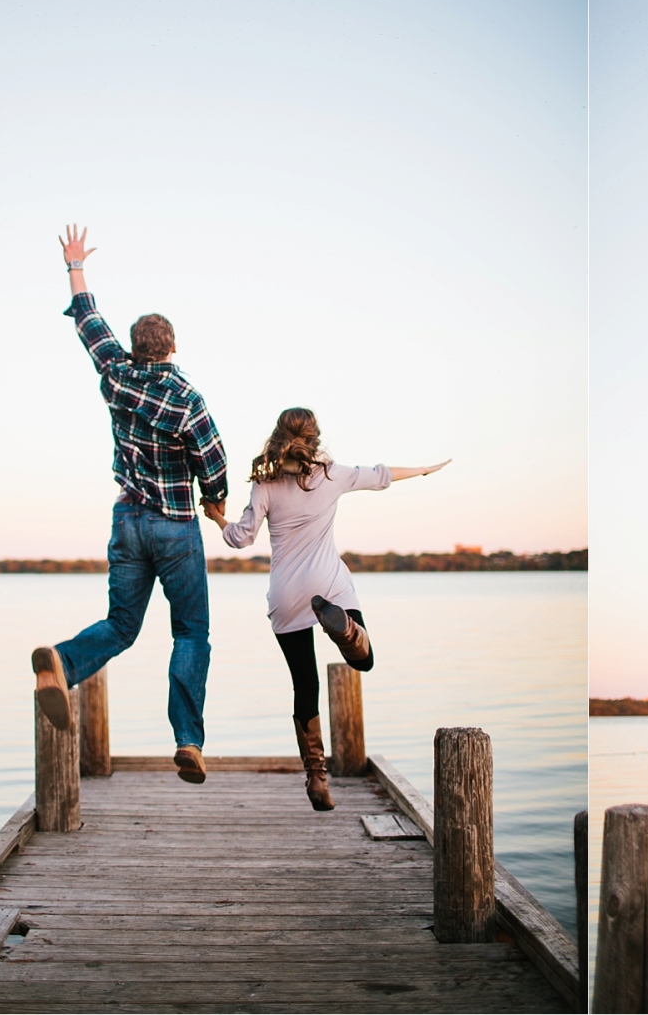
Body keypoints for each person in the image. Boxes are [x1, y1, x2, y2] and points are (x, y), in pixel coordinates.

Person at [33, 225, 229, 785]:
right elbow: (213, 461)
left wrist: (75, 266)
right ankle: (187, 740)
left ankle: (63, 661)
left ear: (136, 346)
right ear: (172, 347)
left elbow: (89, 322)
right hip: (174, 527)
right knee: (190, 633)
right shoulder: (187, 399)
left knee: (122, 626)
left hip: (128, 519)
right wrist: (214, 503)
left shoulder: (116, 374)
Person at [203, 407, 449, 811]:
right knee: (363, 662)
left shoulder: (264, 483)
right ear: (314, 438)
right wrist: (424, 469)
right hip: (328, 586)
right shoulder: (333, 474)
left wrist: (217, 519)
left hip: (285, 594)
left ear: (278, 436)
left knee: (305, 686)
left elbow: (242, 538)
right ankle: (347, 631)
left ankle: (317, 777)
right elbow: (382, 475)